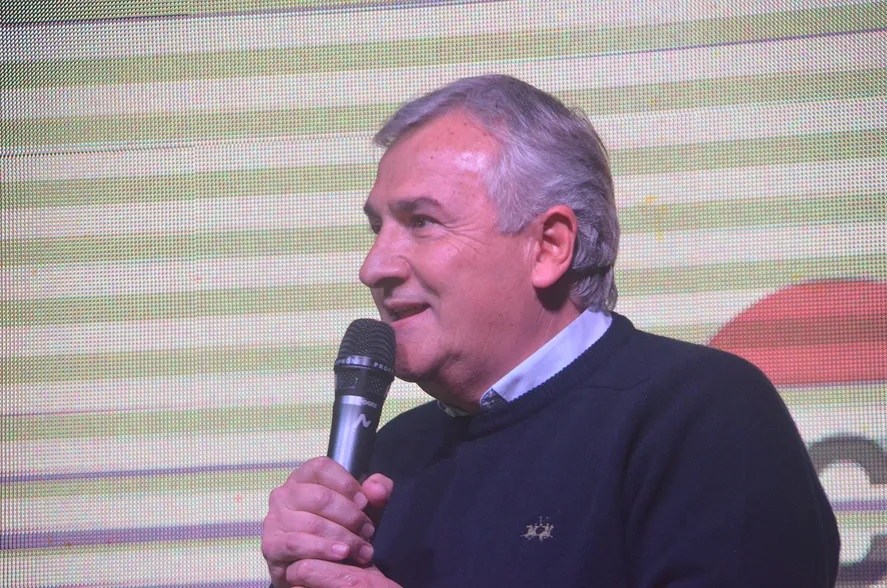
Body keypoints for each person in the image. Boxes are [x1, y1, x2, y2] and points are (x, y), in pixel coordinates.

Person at [261, 75, 840, 587]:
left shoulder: (702, 413)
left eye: (422, 222)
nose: (373, 268)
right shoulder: (392, 456)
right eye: (378, 228)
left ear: (549, 247)